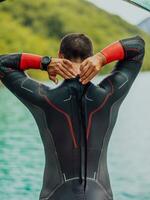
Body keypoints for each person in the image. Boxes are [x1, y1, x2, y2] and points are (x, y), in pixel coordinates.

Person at [0, 33, 145, 200]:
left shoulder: (44, 99)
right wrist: (102, 57)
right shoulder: (109, 95)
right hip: (100, 195)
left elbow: (3, 64)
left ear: (60, 56)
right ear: (90, 57)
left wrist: (45, 62)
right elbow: (137, 47)